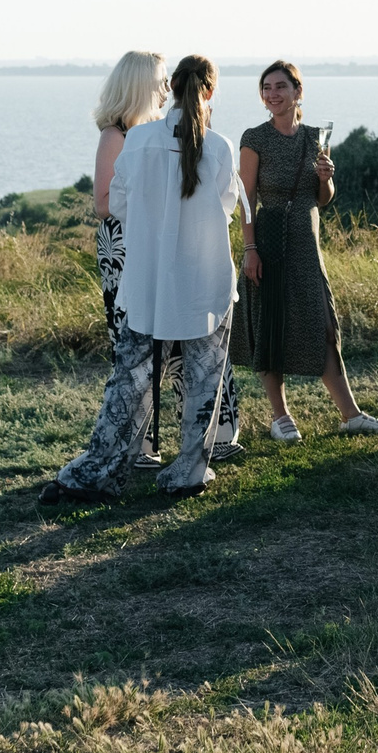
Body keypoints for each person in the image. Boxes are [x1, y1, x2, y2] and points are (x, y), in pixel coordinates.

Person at [44, 55, 245, 504]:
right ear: (209, 92)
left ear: (170, 87)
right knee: (203, 377)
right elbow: (227, 209)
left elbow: (117, 203)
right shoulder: (220, 147)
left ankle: (100, 471)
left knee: (131, 375)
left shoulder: (138, 141)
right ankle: (189, 471)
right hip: (205, 281)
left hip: (147, 279)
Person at [235, 59, 378, 441]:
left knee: (322, 325)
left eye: (280, 87)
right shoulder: (254, 138)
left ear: (297, 92)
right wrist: (250, 249)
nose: (272, 94)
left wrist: (327, 180)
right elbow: (246, 198)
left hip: (307, 247)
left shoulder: (314, 136)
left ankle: (351, 415)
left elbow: (321, 199)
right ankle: (280, 417)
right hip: (268, 244)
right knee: (270, 323)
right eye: (267, 88)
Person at [90, 50, 177, 467]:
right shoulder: (116, 135)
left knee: (161, 340)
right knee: (131, 342)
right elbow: (103, 204)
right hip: (123, 249)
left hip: (149, 242)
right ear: (141, 84)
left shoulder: (154, 133)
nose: (167, 89)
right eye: (161, 81)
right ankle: (137, 445)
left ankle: (150, 440)